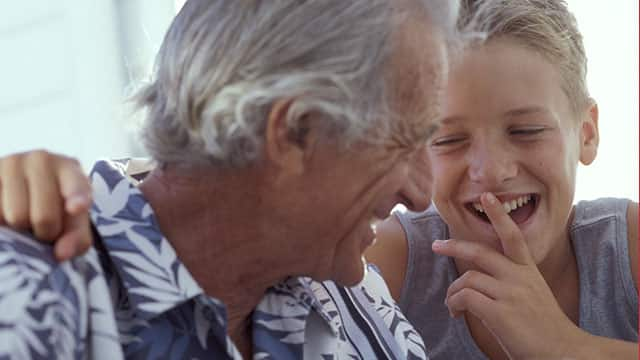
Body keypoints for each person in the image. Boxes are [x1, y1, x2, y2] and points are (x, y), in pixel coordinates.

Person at [0, 0, 459, 358]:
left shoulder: (352, 298)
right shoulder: (30, 296)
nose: (421, 195)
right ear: (293, 131)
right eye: (404, 141)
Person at [364, 0, 638, 359]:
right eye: (448, 140)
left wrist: (564, 346)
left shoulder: (628, 249)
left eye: (526, 131)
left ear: (586, 134)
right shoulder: (385, 266)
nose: (490, 171)